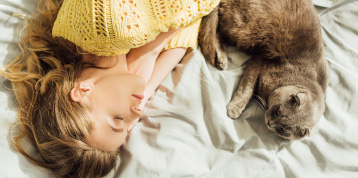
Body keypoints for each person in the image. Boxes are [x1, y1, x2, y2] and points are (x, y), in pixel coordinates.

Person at [0, 0, 219, 177]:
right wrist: (148, 73)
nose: (138, 112)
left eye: (117, 119)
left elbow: (199, 5)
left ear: (83, 91)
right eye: (127, 127)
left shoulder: (110, 27)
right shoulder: (88, 49)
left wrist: (150, 51)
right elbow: (189, 26)